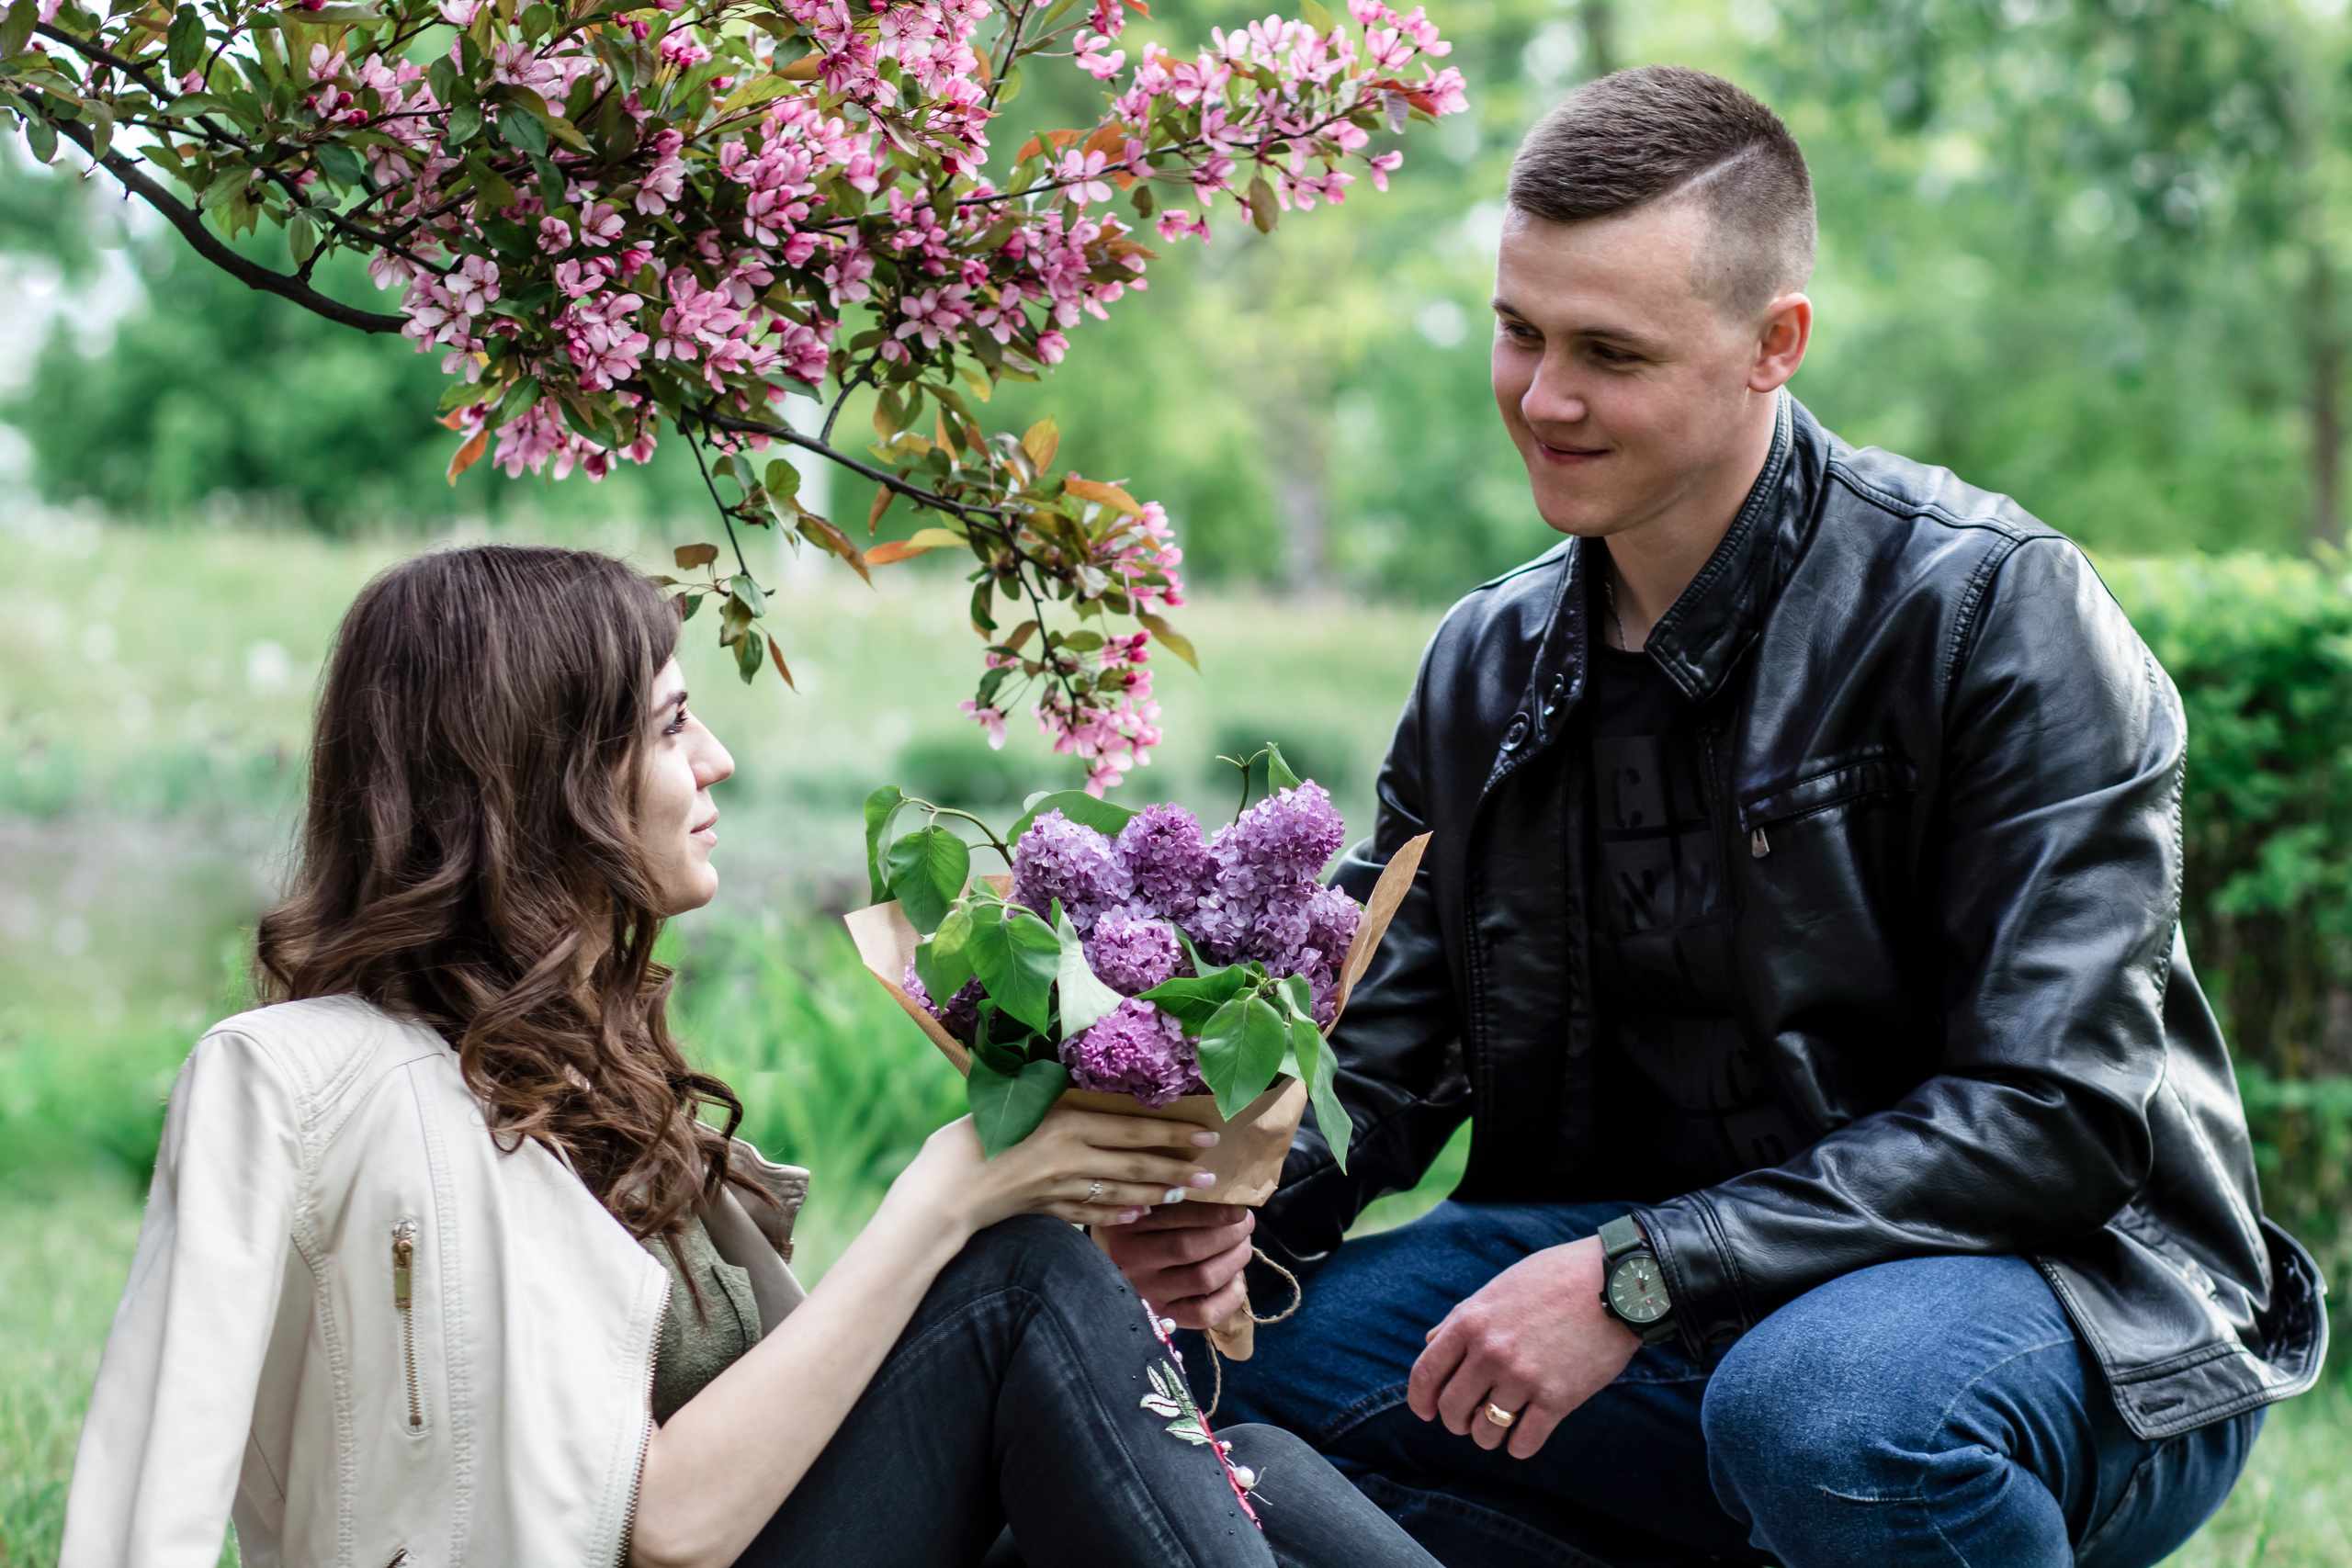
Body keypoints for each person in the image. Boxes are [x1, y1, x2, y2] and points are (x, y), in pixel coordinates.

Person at [1099, 65, 2329, 1568]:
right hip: (1654, 1292)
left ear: (1775, 344)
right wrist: (1229, 1211)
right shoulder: (1483, 660)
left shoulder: (1993, 611)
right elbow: (1384, 1048)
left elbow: (2055, 1116)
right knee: (1174, 1383)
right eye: (1519, 331)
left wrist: (1640, 1274)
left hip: (2055, 1305)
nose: (1544, 398)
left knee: (1822, 1419)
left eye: (1610, 352)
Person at [60, 545, 1440, 1568]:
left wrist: (1072, 1289)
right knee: (1015, 1276)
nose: (716, 759)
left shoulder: (590, 1079)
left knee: (1251, 1465)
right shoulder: (305, 1077)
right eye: (668, 725)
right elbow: (666, 1519)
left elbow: (820, 1434)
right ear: (536, 773)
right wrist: (955, 1195)